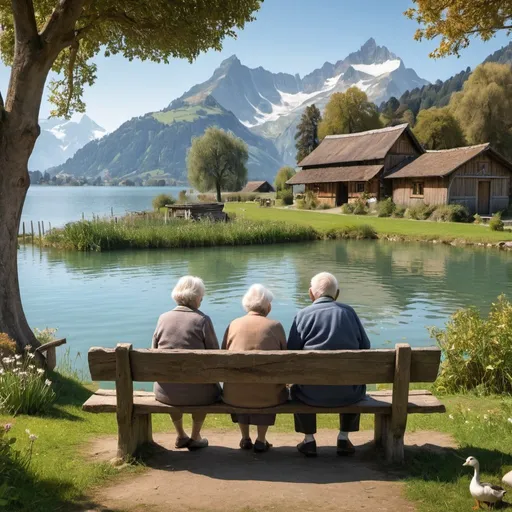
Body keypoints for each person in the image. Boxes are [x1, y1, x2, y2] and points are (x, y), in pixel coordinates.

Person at [288, 272, 371, 458]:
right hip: (348, 393)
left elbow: (291, 354)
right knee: (355, 380)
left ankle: (309, 440)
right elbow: (366, 347)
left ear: (311, 294)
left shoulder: (302, 315)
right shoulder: (349, 313)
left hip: (309, 394)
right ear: (337, 294)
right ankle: (343, 438)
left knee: (297, 385)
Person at [152, 275, 220, 451]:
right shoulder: (203, 320)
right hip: (200, 394)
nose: (202, 299)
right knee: (202, 384)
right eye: (201, 295)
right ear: (194, 297)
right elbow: (216, 356)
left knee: (175, 384)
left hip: (165, 392)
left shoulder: (162, 318)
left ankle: (181, 435)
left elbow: (153, 353)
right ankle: (195, 436)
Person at [222, 284, 288, 453]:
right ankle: (261, 439)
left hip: (234, 395)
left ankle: (245, 437)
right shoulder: (275, 326)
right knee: (266, 384)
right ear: (268, 307)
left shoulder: (233, 324)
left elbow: (222, 356)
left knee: (241, 382)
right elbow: (286, 361)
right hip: (269, 396)